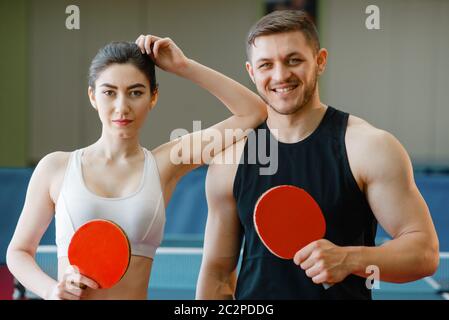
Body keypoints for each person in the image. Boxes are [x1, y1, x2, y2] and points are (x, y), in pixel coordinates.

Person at [196, 10, 439, 299]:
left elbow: (424, 252)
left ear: (320, 61)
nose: (280, 75)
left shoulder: (369, 148)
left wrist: (350, 259)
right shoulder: (231, 160)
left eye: (293, 60)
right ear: (251, 72)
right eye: (266, 65)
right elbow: (217, 273)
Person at [6, 35, 267, 300]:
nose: (122, 107)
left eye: (136, 92)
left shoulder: (166, 163)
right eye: (109, 92)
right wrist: (51, 290)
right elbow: (18, 252)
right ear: (92, 96)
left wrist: (183, 66)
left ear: (153, 97)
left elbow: (254, 111)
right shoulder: (55, 167)